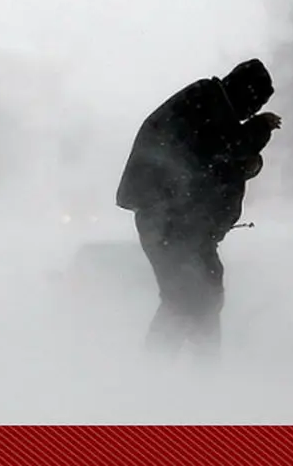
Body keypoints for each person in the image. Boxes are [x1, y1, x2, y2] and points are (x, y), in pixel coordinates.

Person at [116, 58, 282, 358]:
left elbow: (219, 160)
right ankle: (170, 376)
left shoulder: (209, 106)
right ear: (245, 92)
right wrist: (259, 130)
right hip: (171, 219)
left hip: (183, 222)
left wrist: (248, 161)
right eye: (253, 104)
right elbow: (225, 151)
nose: (251, 113)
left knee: (200, 296)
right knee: (187, 297)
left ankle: (192, 379)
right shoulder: (208, 101)